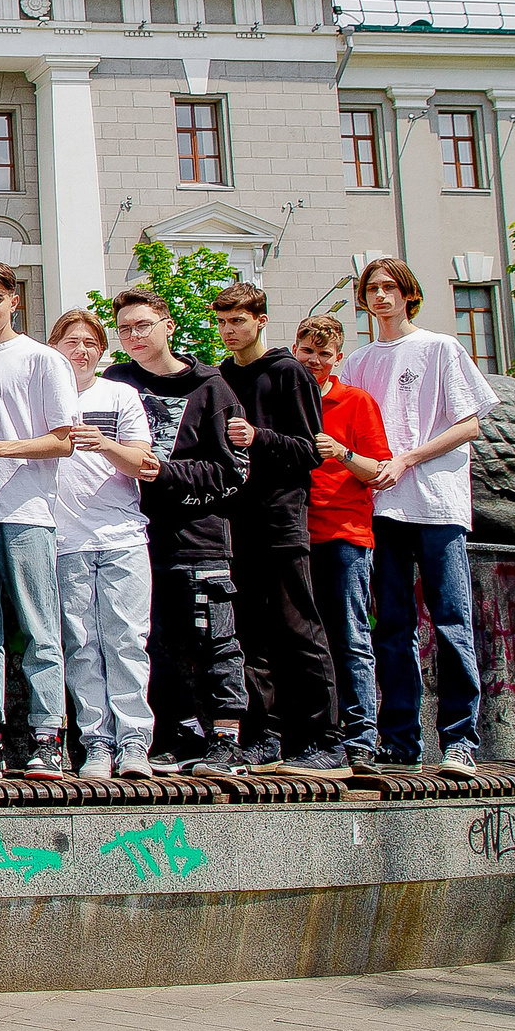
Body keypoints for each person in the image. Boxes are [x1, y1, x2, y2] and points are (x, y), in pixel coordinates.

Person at [340, 257, 498, 775]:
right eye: (371, 288)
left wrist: (406, 458)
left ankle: (459, 740)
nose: (380, 296)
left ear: (409, 294)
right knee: (391, 628)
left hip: (436, 503)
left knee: (452, 622)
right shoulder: (358, 361)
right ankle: (400, 740)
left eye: (390, 288)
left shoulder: (440, 347)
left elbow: (469, 425)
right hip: (380, 508)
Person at [111, 287, 249, 774]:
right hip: (132, 538)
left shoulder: (211, 388)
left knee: (213, 638)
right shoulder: (116, 383)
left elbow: (234, 472)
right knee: (155, 641)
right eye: (124, 329)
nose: (133, 337)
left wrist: (164, 473)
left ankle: (227, 741)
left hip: (199, 540)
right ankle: (178, 732)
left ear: (168, 326)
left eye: (142, 326)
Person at [0, 262, 80, 774]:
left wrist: (1, 449)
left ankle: (49, 737)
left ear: (14, 302)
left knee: (39, 627)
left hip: (25, 512)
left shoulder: (42, 360)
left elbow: (64, 441)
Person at [214, 281, 343, 772]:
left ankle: (325, 740)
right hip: (236, 522)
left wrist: (258, 437)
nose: (229, 331)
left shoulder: (289, 372)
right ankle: (265, 735)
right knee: (252, 633)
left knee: (300, 627)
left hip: (282, 519)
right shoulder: (222, 376)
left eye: (238, 321)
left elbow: (313, 451)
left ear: (260, 320)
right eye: (223, 322)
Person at [49, 308, 157, 779]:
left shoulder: (120, 395)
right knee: (82, 645)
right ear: (55, 348)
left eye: (91, 342)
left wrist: (105, 444)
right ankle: (96, 742)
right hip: (65, 539)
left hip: (121, 535)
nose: (82, 350)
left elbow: (144, 463)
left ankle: (134, 742)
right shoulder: (44, 395)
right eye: (71, 342)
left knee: (128, 639)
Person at [297, 312, 390, 774]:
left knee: (350, 638)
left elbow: (380, 471)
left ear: (337, 358)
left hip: (344, 534)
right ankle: (315, 737)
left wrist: (342, 452)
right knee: (302, 641)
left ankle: (361, 739)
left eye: (323, 355)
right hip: (292, 534)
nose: (314, 361)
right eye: (307, 352)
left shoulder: (357, 402)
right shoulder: (284, 395)